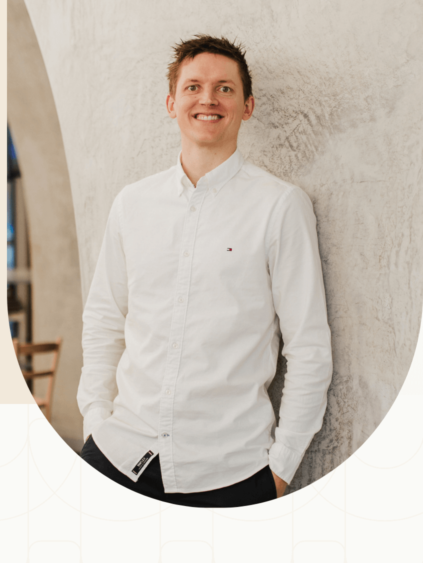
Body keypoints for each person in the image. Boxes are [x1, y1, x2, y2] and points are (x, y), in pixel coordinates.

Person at [77, 35, 332, 508]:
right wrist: (94, 418)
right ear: (172, 102)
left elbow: (310, 347)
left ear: (247, 105)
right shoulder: (131, 204)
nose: (208, 99)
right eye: (193, 87)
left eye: (225, 88)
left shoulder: (279, 207)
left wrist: (281, 468)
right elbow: (104, 321)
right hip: (116, 455)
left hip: (230, 471)